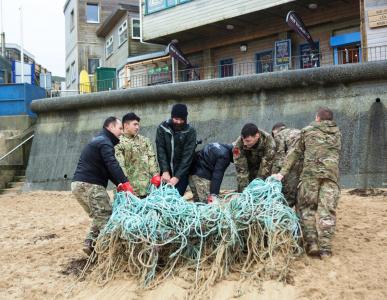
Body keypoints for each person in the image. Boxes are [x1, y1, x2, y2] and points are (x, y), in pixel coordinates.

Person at [273, 107, 341, 259]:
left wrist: (282, 173)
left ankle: (312, 243)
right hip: (331, 177)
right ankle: (326, 250)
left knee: (307, 209)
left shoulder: (307, 131)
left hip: (310, 176)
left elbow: (294, 153)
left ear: (317, 118)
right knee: (327, 212)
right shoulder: (337, 133)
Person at [71, 117, 133, 255]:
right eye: (120, 128)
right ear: (110, 127)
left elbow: (107, 168)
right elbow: (112, 164)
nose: (121, 132)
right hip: (90, 185)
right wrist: (125, 182)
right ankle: (115, 253)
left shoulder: (100, 140)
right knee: (106, 217)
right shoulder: (105, 142)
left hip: (78, 185)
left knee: (99, 215)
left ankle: (90, 243)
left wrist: (120, 184)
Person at [115, 113, 160, 198]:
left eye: (138, 125)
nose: (137, 127)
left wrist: (155, 174)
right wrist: (124, 183)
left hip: (148, 189)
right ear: (126, 125)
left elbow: (151, 158)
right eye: (135, 124)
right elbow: (120, 165)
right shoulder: (117, 143)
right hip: (129, 190)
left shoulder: (144, 141)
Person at [156, 103, 197, 196]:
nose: (178, 122)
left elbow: (187, 156)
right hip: (166, 171)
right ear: (172, 117)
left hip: (182, 172)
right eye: (176, 119)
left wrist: (177, 177)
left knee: (176, 197)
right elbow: (160, 150)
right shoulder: (162, 128)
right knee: (162, 197)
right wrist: (165, 171)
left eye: (181, 119)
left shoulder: (190, 131)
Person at [233, 123, 276, 192]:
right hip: (249, 164)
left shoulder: (268, 141)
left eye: (248, 141)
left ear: (257, 136)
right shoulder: (238, 144)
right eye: (243, 140)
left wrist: (257, 187)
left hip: (263, 164)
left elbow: (266, 166)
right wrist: (244, 192)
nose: (244, 143)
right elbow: (241, 169)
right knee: (244, 185)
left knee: (261, 185)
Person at [271, 122, 302, 207]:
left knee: (289, 193)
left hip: (293, 163)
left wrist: (274, 175)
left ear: (274, 131)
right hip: (306, 164)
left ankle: (287, 209)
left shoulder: (279, 135)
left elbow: (279, 159)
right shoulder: (297, 131)